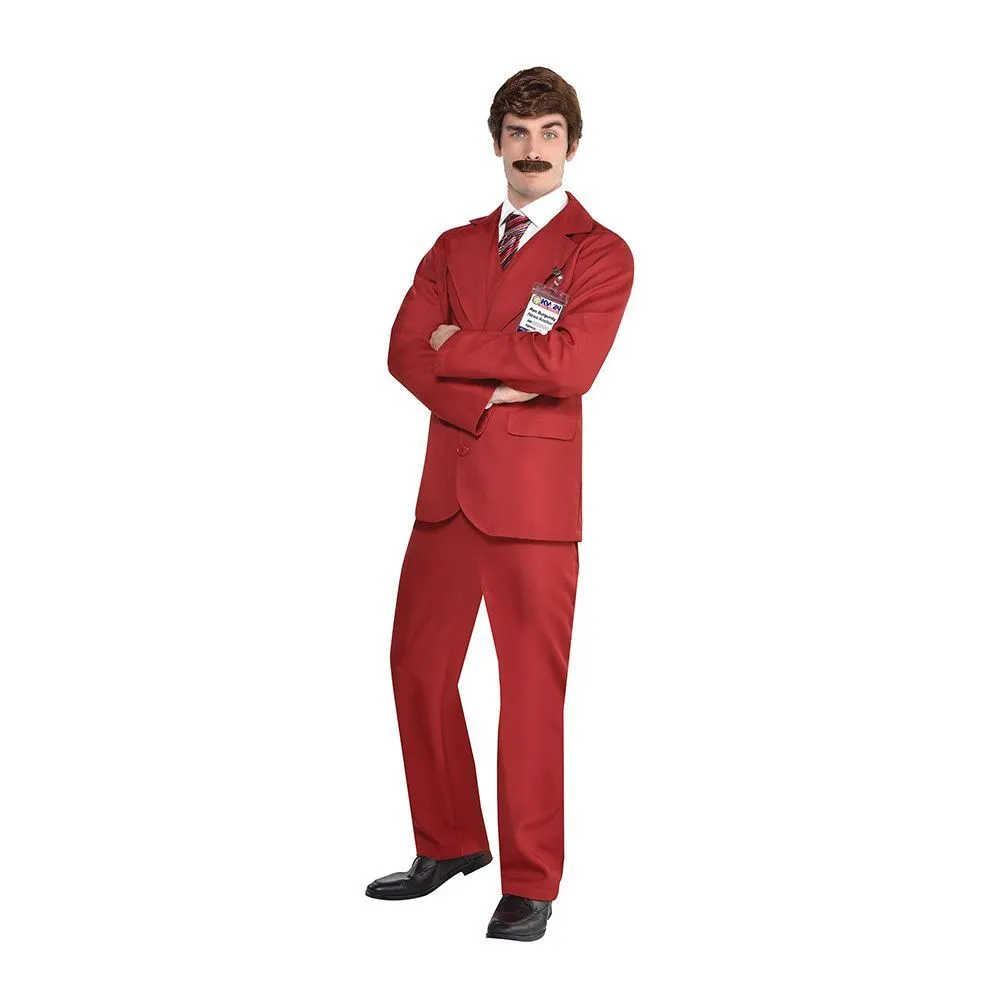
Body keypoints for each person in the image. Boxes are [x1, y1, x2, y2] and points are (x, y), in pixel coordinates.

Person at [365, 66, 635, 942]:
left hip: (533, 507)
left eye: (549, 133)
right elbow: (405, 350)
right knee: (416, 668)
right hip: (446, 497)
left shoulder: (600, 252)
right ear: (496, 143)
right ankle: (448, 841)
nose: (532, 149)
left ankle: (530, 882)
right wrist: (487, 390)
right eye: (518, 133)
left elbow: (569, 366)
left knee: (529, 694)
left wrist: (460, 347)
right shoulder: (452, 247)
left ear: (572, 144)